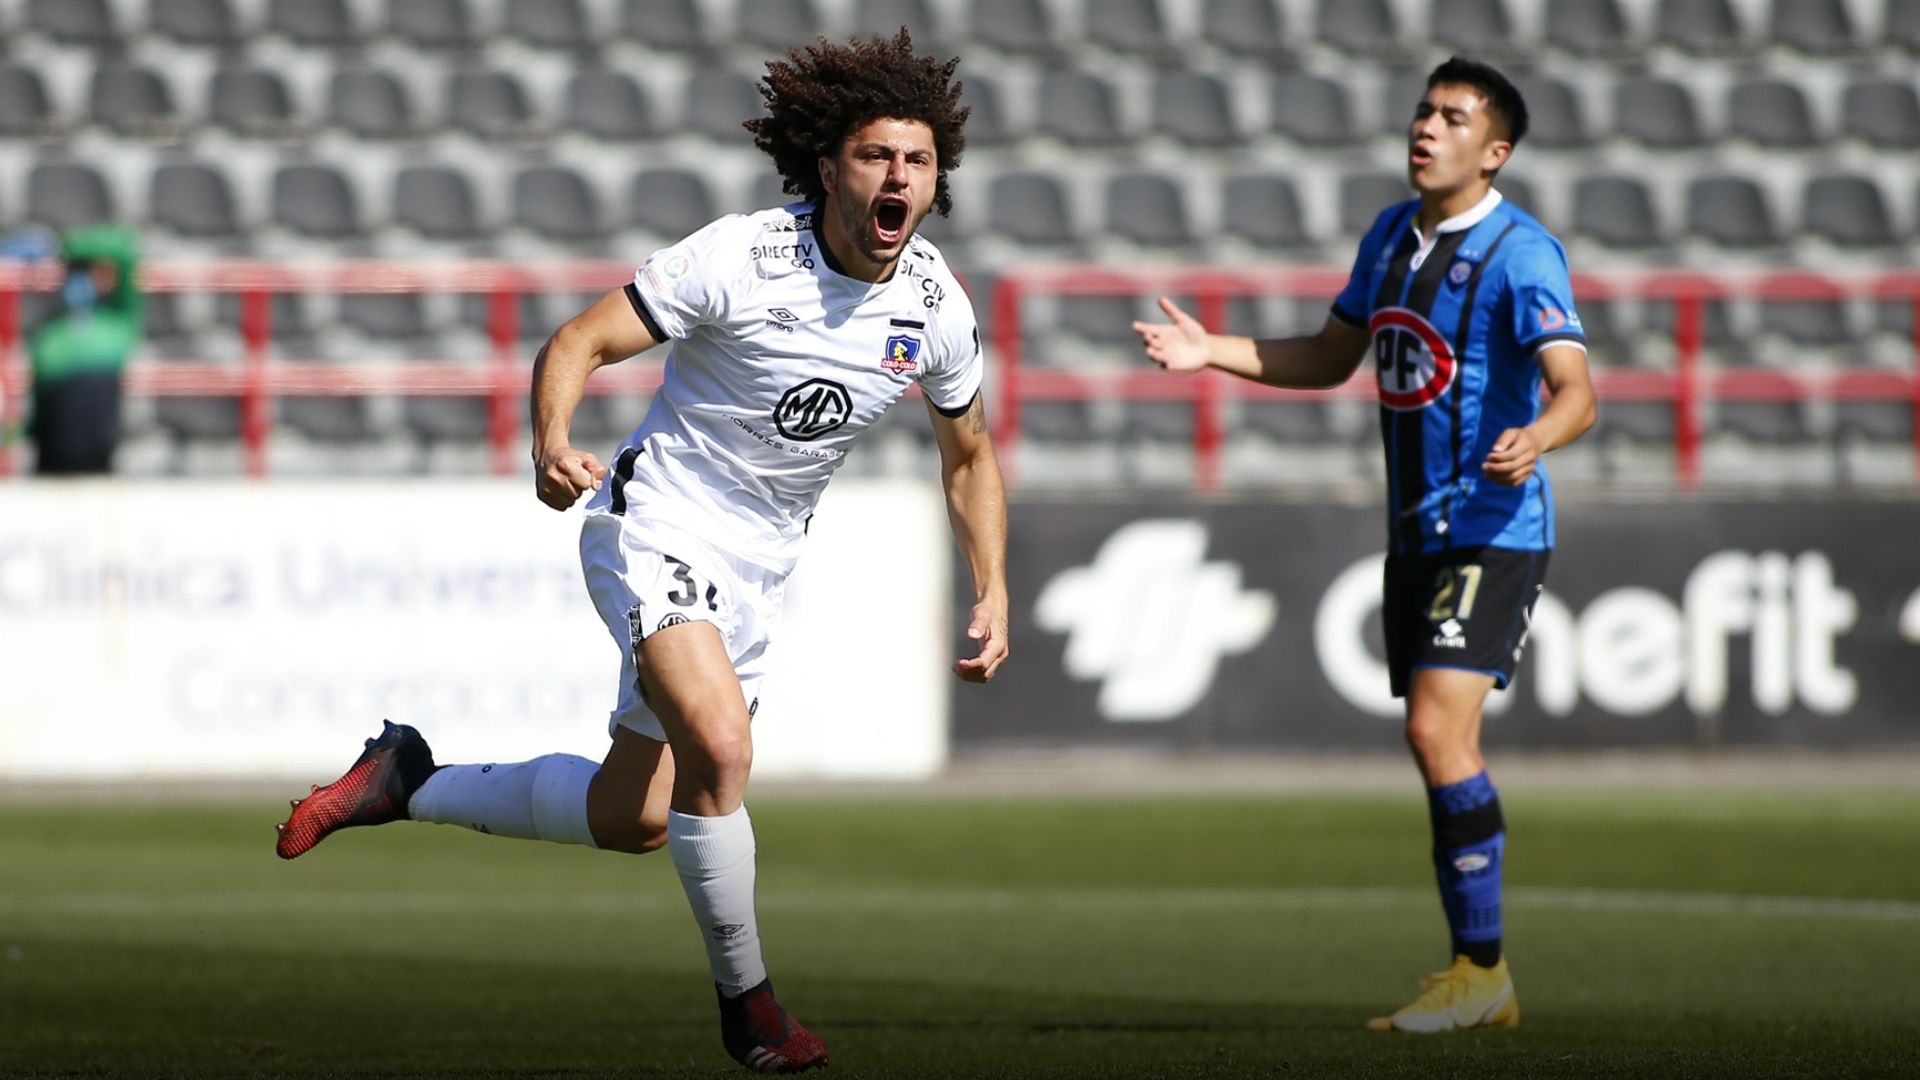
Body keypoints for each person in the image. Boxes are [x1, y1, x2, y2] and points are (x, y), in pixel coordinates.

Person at [275, 30, 1007, 1074]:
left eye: (919, 161)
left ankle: (407, 780)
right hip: (655, 521)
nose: (900, 177)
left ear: (938, 182)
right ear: (828, 167)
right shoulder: (741, 257)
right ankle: (751, 1014)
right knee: (723, 752)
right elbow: (577, 341)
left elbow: (969, 455)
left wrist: (995, 588)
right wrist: (549, 443)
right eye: (877, 155)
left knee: (639, 818)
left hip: (758, 569)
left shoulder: (933, 306)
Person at [1135, 57, 1596, 1034]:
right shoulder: (1391, 235)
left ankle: (1482, 975)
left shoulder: (1522, 254)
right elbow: (1331, 356)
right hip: (1414, 529)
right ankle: (1480, 977)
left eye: (1453, 117)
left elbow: (1577, 390)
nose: (1426, 128)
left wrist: (1538, 436)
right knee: (1436, 738)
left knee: (1437, 731)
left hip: (1493, 526)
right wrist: (1210, 350)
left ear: (1496, 150)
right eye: (1423, 111)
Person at [27, 225, 142, 475]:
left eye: (86, 273)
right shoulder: (48, 336)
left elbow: (124, 253)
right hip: (51, 463)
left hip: (99, 459)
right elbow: (37, 411)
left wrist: (65, 246)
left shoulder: (116, 326)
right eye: (73, 273)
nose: (79, 283)